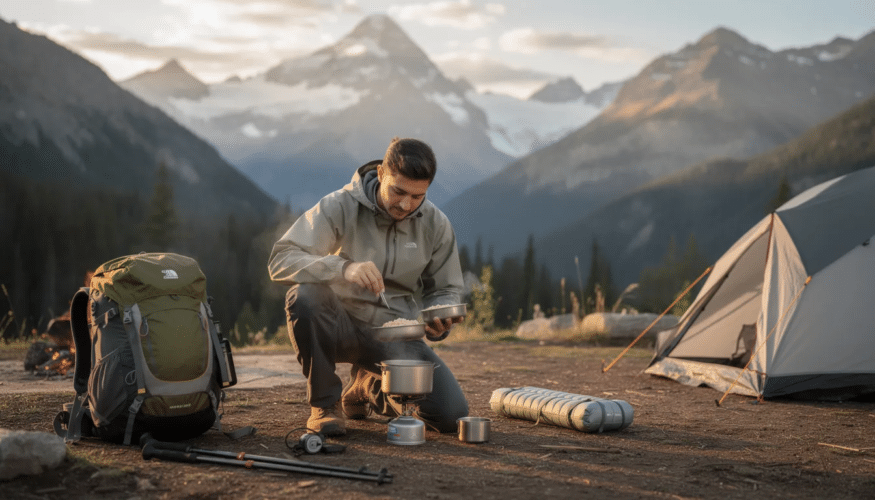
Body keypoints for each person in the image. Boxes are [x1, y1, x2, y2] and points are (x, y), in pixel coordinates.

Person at [268, 137, 469, 437]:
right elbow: (281, 259)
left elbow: (445, 289)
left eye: (417, 196)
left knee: (450, 416)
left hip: (395, 337)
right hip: (338, 325)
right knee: (305, 296)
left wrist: (440, 318)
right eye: (398, 191)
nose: (406, 204)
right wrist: (343, 268)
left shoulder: (435, 224)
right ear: (381, 173)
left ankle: (367, 386)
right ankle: (325, 404)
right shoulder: (340, 205)